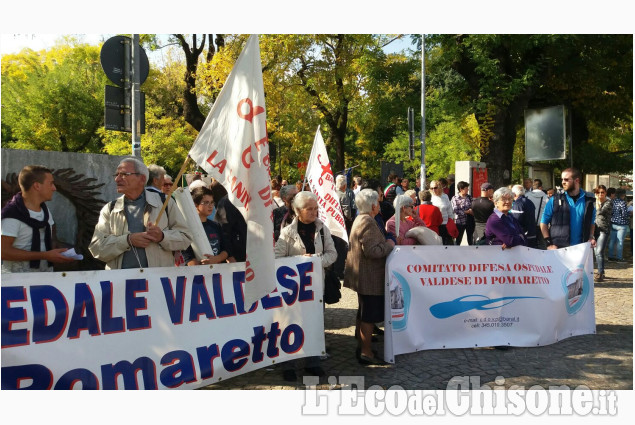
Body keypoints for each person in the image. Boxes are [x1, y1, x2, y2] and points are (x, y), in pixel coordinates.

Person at [275, 191, 337, 381]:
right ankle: (289, 364)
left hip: (316, 288)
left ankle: (313, 362)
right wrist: (300, 262)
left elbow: (332, 254)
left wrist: (316, 260)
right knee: (290, 324)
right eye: (309, 208)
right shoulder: (287, 232)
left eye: (316, 208)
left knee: (315, 323)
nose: (314, 212)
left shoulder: (322, 229)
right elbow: (277, 258)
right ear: (298, 210)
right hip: (292, 291)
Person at [89, 158, 192, 269]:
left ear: (142, 179)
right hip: (121, 283)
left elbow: (185, 238)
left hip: (158, 282)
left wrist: (162, 237)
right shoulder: (110, 209)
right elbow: (96, 248)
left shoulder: (165, 203)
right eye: (116, 174)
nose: (117, 179)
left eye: (124, 174)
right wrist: (128, 240)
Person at [344, 189, 395, 365]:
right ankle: (366, 353)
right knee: (369, 315)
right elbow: (374, 251)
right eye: (378, 203)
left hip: (363, 275)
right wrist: (389, 244)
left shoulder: (361, 218)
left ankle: (362, 346)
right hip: (370, 276)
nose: (379, 205)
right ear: (373, 205)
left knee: (364, 312)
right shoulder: (367, 221)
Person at [2, 165, 76, 273]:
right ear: (37, 186)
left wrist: (59, 254)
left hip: (44, 280)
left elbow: (45, 243)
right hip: (17, 284)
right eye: (50, 183)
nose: (54, 188)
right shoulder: (11, 214)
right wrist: (45, 255)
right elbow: (3, 251)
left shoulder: (45, 211)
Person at [540, 168, 596, 250]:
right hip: (559, 249)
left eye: (566, 179)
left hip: (581, 249)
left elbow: (592, 221)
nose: (563, 182)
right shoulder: (555, 199)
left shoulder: (588, 200)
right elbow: (543, 222)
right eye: (562, 179)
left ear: (576, 180)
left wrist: (591, 236)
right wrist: (548, 243)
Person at [182, 187, 228, 266]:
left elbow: (226, 250)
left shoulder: (215, 226)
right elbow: (187, 256)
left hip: (217, 272)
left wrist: (216, 259)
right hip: (198, 274)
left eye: (212, 202)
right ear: (195, 205)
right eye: (206, 202)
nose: (210, 206)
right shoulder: (188, 227)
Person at [209, 180, 247, 263]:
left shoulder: (252, 199)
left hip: (252, 252)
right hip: (237, 257)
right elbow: (224, 231)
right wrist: (230, 256)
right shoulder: (226, 203)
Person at [593, 185, 612, 281]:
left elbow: (600, 211)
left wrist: (597, 203)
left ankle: (600, 272)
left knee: (599, 251)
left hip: (603, 229)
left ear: (605, 193)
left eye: (602, 192)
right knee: (596, 252)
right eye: (598, 192)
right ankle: (601, 270)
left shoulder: (608, 203)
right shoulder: (593, 202)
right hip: (593, 230)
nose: (600, 194)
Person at [607, 188, 629, 263]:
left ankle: (610, 256)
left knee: (612, 241)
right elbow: (624, 214)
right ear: (623, 195)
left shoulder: (613, 201)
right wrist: (629, 214)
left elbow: (611, 212)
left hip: (613, 223)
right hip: (622, 224)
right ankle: (619, 258)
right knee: (620, 242)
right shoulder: (623, 203)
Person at [430, 180, 454, 245]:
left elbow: (449, 210)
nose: (433, 190)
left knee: (448, 244)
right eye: (431, 188)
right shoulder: (430, 197)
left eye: (435, 188)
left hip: (446, 223)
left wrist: (451, 221)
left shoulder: (445, 196)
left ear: (439, 187)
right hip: (436, 224)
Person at [526, 180, 549, 248]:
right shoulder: (545, 197)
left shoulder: (527, 196)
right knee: (542, 244)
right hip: (542, 224)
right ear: (541, 187)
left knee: (530, 245)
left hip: (530, 224)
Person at [451, 181, 475, 245]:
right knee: (458, 239)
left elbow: (473, 206)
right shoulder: (455, 198)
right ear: (461, 189)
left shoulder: (469, 197)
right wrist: (466, 212)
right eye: (466, 188)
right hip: (460, 222)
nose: (468, 190)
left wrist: (472, 211)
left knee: (470, 239)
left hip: (469, 221)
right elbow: (455, 210)